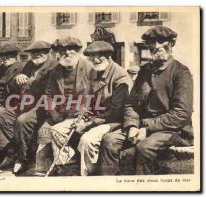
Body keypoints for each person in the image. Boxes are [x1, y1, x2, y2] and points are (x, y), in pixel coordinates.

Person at [98, 25, 193, 175]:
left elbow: (181, 113)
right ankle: (109, 187)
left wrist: (146, 128)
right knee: (109, 141)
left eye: (161, 41)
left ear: (171, 44)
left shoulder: (181, 72)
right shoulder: (144, 70)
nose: (156, 46)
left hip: (173, 130)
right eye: (152, 42)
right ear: (147, 46)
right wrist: (132, 126)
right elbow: (131, 104)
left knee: (144, 148)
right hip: (141, 126)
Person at [73, 41, 133, 176]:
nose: (95, 59)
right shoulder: (94, 72)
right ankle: (68, 168)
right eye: (92, 56)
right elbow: (87, 98)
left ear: (109, 56)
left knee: (87, 140)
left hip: (114, 122)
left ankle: (89, 175)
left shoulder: (120, 77)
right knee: (61, 130)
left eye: (100, 56)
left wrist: (90, 123)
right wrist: (81, 115)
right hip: (96, 118)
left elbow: (116, 111)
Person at [44, 36, 95, 175]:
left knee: (56, 130)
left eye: (71, 49)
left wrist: (83, 114)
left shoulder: (90, 69)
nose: (67, 53)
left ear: (79, 51)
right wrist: (54, 113)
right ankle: (57, 167)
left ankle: (67, 166)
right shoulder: (55, 71)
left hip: (82, 114)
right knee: (42, 133)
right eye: (63, 50)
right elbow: (48, 95)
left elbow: (95, 96)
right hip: (59, 115)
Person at [5, 41, 58, 173]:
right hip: (26, 102)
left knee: (23, 121)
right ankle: (7, 153)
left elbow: (44, 90)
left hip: (44, 106)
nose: (36, 55)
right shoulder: (29, 65)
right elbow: (16, 84)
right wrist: (19, 76)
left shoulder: (54, 67)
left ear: (48, 52)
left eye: (41, 52)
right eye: (33, 52)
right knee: (2, 114)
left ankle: (23, 159)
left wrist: (27, 81)